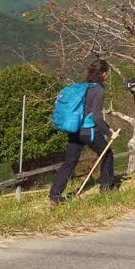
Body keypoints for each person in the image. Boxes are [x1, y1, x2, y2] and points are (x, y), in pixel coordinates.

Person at [49, 58, 120, 203]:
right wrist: (110, 133)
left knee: (69, 162)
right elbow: (96, 117)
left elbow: (87, 112)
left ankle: (54, 196)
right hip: (89, 131)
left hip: (74, 130)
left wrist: (107, 127)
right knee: (107, 154)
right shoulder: (99, 90)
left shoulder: (83, 88)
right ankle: (106, 189)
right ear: (104, 74)